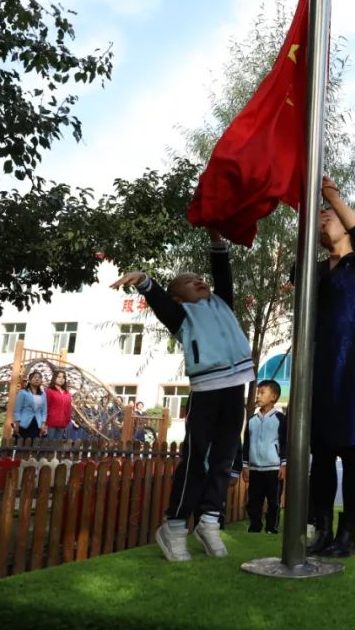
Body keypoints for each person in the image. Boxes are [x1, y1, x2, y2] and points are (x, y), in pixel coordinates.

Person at [111, 226, 253, 562]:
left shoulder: (222, 302)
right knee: (196, 461)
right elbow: (159, 299)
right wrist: (145, 281)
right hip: (206, 391)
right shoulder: (180, 316)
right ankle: (174, 526)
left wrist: (218, 241)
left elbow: (223, 274)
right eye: (189, 281)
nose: (199, 281)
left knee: (223, 460)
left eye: (199, 278)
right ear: (178, 297)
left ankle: (209, 522)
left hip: (236, 387)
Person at [304, 177, 355, 558]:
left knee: (351, 451)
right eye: (322, 218)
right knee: (320, 452)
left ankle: (348, 534)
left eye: (331, 218)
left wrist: (332, 197)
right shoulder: (315, 270)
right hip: (320, 364)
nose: (325, 220)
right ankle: (321, 528)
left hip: (353, 361)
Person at [242, 379, 287, 534]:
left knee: (273, 501)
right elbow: (246, 444)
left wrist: (283, 464)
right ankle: (254, 526)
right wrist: (245, 465)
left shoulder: (280, 419)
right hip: (254, 468)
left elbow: (284, 442)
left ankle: (271, 528)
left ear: (273, 397)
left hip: (273, 468)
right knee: (253, 501)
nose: (258, 396)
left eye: (262, 393)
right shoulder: (252, 420)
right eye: (257, 393)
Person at [13, 371, 47, 440]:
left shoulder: (43, 394)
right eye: (35, 377)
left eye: (39, 378)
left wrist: (43, 424)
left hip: (37, 424)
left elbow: (44, 411)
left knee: (33, 446)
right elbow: (17, 410)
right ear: (30, 380)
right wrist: (17, 424)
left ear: (41, 381)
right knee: (22, 446)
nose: (37, 379)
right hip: (24, 423)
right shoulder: (23, 392)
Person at [44, 370, 72, 441]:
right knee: (49, 445)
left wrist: (67, 421)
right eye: (59, 377)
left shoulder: (67, 393)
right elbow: (44, 407)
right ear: (54, 378)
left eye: (63, 377)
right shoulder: (49, 391)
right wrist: (44, 423)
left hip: (62, 424)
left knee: (57, 446)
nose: (61, 379)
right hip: (50, 423)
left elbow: (69, 408)